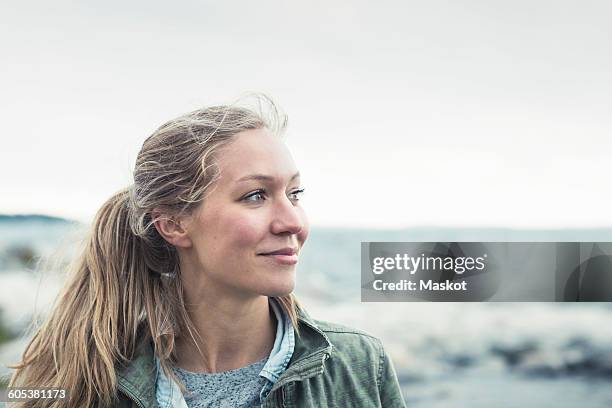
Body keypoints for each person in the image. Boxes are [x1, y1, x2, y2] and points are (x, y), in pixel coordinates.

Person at [10, 96, 406, 407]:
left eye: (294, 193)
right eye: (255, 196)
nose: (293, 222)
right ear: (174, 224)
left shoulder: (359, 364)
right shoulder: (88, 385)